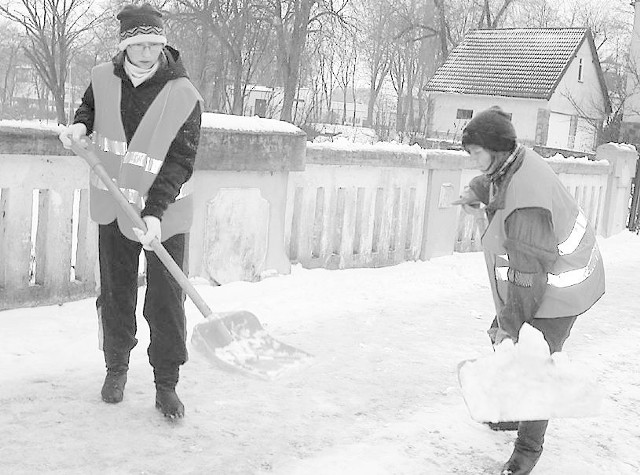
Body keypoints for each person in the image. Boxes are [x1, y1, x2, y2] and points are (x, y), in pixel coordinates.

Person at [59, 3, 202, 419]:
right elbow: (89, 108)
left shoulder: (184, 94)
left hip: (166, 214)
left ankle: (166, 383)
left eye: (152, 43)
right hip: (114, 205)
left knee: (166, 299)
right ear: (124, 45)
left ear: (162, 43)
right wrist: (80, 126)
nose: (145, 51)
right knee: (116, 291)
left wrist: (155, 212)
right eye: (137, 43)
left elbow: (179, 161)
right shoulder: (102, 77)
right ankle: (116, 366)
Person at [455, 106, 605, 474]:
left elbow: (528, 277)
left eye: (476, 154)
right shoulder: (514, 161)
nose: (474, 161)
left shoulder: (527, 203)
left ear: (497, 150)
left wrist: (512, 324)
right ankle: (511, 413)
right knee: (504, 337)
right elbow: (498, 183)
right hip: (542, 275)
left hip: (560, 287)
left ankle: (526, 451)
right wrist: (477, 188)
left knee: (533, 362)